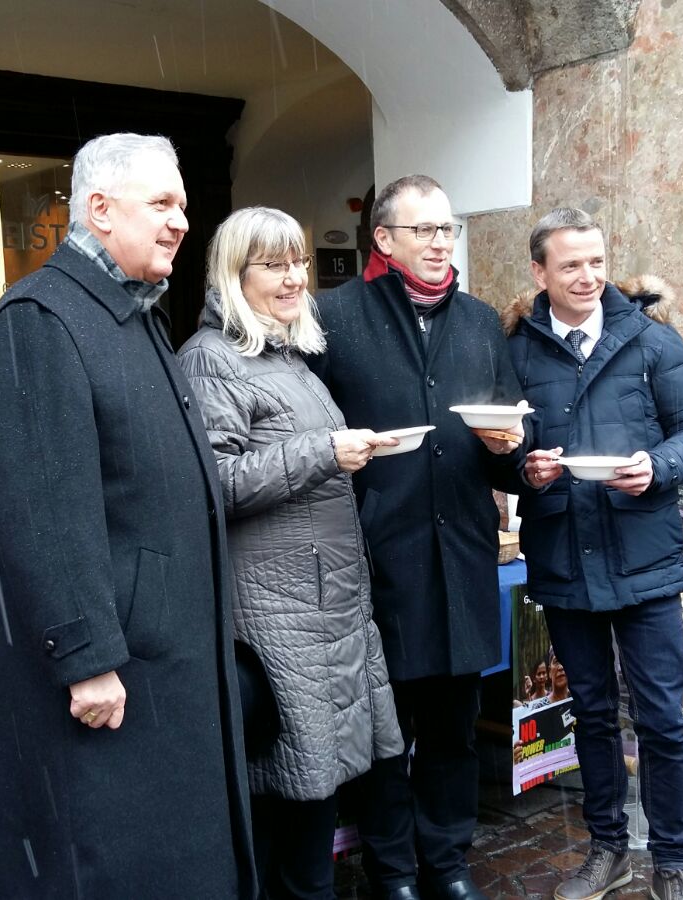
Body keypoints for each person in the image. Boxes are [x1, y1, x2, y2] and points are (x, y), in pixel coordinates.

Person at [0, 133, 256, 899]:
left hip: (163, 656)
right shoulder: (41, 319)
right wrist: (87, 657)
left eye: (183, 206)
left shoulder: (132, 314)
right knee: (115, 864)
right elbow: (43, 508)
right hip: (117, 674)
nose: (181, 223)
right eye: (161, 204)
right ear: (98, 210)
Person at [177, 206, 405, 900]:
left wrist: (341, 451)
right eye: (273, 264)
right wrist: (323, 453)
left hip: (328, 603)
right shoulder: (211, 358)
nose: (293, 277)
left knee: (320, 794)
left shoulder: (285, 354)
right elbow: (211, 484)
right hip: (279, 614)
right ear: (234, 274)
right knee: (298, 795)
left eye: (298, 262)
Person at [308, 174, 526, 900]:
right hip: (374, 559)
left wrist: (512, 451)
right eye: (424, 230)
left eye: (447, 230)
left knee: (453, 728)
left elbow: (510, 446)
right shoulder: (334, 318)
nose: (440, 243)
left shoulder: (478, 321)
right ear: (384, 240)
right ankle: (393, 868)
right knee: (383, 733)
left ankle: (449, 861)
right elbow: (302, 438)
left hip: (460, 556)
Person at [505, 207, 683, 900]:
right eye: (570, 265)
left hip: (645, 560)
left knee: (659, 715)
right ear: (539, 271)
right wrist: (522, 472)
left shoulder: (652, 340)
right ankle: (607, 848)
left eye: (596, 261)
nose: (588, 276)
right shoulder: (516, 353)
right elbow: (503, 451)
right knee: (592, 713)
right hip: (564, 557)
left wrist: (658, 467)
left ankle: (672, 859)